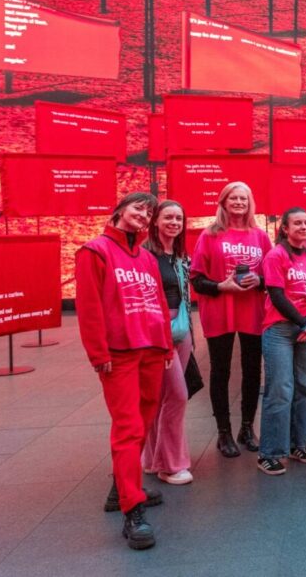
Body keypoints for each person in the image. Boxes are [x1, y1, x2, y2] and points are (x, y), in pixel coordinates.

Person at [76, 192, 172, 550]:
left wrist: (164, 344)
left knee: (144, 421)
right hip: (118, 355)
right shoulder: (95, 251)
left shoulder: (146, 258)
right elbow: (88, 307)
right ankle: (133, 511)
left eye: (149, 212)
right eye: (138, 208)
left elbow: (160, 303)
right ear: (118, 211)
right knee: (128, 427)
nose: (143, 215)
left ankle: (122, 487)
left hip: (151, 350)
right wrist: (98, 354)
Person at [190, 182, 272, 457]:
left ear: (250, 204)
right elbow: (197, 280)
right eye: (233, 198)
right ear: (223, 203)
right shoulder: (209, 235)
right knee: (221, 371)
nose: (239, 202)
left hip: (252, 311)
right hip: (220, 312)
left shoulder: (260, 236)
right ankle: (223, 432)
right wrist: (221, 286)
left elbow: (272, 278)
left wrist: (258, 279)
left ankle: (247, 427)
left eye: (244, 198)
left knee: (252, 371)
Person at [257, 208, 306, 475]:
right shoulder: (276, 255)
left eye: (305, 223)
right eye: (296, 223)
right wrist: (304, 324)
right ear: (285, 229)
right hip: (280, 330)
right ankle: (270, 452)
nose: (303, 227)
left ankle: (298, 444)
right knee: (280, 389)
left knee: (304, 387)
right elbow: (276, 294)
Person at [141, 200, 193, 486]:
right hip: (158, 332)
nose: (174, 222)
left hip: (182, 330)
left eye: (179, 218)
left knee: (162, 397)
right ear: (156, 221)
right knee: (177, 396)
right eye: (169, 217)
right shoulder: (145, 255)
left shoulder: (180, 255)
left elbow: (185, 296)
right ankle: (170, 465)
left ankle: (152, 459)